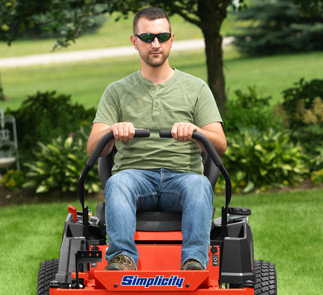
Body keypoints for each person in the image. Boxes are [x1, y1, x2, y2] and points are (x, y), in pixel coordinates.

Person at [87, 7, 226, 271]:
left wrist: (195, 131)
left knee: (199, 186)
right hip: (134, 178)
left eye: (162, 37)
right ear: (134, 41)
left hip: (183, 178)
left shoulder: (196, 88)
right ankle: (121, 259)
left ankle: (194, 262)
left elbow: (220, 144)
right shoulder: (116, 91)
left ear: (171, 39)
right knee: (117, 184)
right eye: (147, 37)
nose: (155, 44)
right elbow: (93, 146)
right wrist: (113, 131)